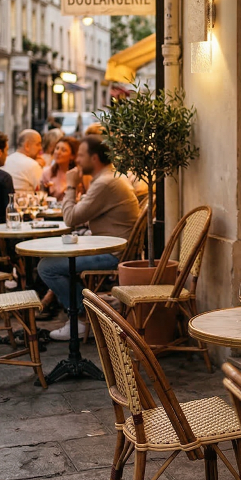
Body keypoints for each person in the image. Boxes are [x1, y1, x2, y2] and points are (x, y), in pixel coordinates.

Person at [38, 135, 139, 340]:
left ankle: (80, 320)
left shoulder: (105, 183)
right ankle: (85, 313)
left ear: (94, 158)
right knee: (55, 258)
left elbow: (70, 218)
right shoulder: (108, 178)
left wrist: (70, 184)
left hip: (113, 253)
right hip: (110, 245)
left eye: (81, 155)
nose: (77, 160)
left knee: (46, 267)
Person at [40, 136, 85, 201]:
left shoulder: (79, 173)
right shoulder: (47, 172)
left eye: (63, 150)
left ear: (72, 156)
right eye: (57, 148)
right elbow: (41, 197)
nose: (58, 152)